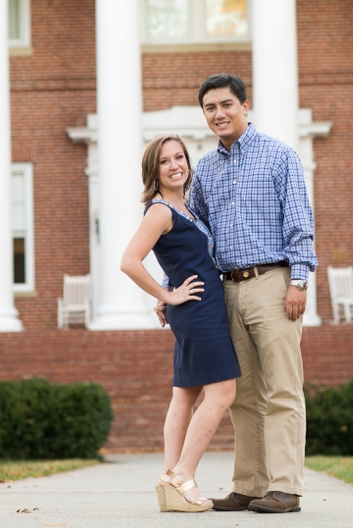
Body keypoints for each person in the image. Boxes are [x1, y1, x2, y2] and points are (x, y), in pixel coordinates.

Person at [185, 72, 316, 513]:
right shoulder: (204, 169)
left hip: (273, 284)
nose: (218, 114)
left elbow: (300, 225)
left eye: (226, 105)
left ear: (245, 106)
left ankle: (286, 487)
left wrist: (298, 281)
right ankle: (250, 484)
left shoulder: (279, 157)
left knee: (282, 389)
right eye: (210, 108)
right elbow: (195, 233)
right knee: (242, 393)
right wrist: (173, 286)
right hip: (227, 289)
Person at [120, 134, 241, 513]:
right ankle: (182, 475)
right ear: (153, 171)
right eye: (164, 161)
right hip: (198, 311)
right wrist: (168, 294)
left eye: (180, 157)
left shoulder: (184, 207)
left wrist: (168, 289)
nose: (175, 165)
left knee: (185, 395)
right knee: (222, 393)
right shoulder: (160, 211)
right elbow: (129, 261)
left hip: (196, 308)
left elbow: (183, 260)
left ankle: (171, 477)